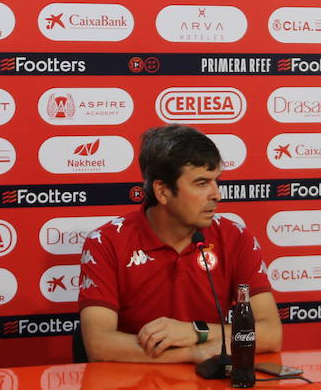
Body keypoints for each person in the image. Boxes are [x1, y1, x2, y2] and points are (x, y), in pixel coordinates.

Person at [78, 125, 282, 363]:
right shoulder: (106, 242)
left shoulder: (236, 237)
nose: (217, 194)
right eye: (201, 183)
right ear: (162, 191)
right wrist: (194, 353)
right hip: (132, 388)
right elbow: (99, 344)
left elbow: (271, 334)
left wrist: (196, 331)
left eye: (217, 181)